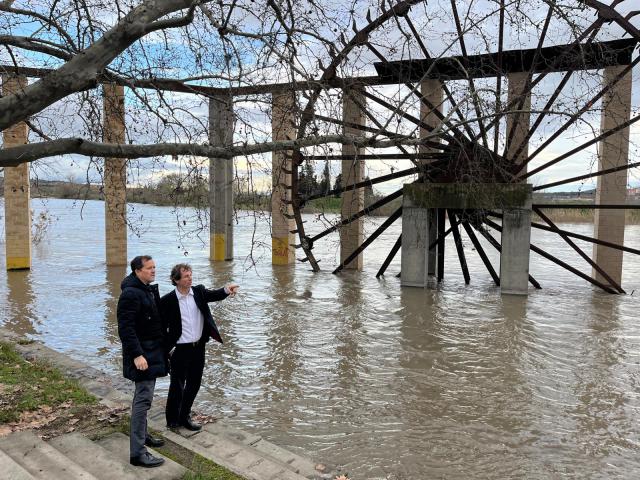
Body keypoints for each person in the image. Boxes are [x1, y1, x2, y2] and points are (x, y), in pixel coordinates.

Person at [161, 263, 239, 431]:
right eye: (186, 276)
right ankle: (172, 420)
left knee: (194, 383)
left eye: (191, 275)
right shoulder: (167, 300)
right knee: (177, 385)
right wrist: (169, 348)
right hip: (179, 349)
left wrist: (227, 289)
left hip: (198, 347)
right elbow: (160, 327)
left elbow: (215, 294)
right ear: (176, 280)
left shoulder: (199, 292)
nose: (190, 278)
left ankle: (185, 416)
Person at [117, 255, 168, 468]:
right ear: (138, 271)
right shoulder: (131, 294)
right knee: (143, 401)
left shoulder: (145, 289)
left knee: (145, 398)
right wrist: (137, 355)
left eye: (154, 267)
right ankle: (137, 453)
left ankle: (143, 435)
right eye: (149, 268)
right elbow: (126, 328)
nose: (153, 271)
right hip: (143, 355)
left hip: (152, 352)